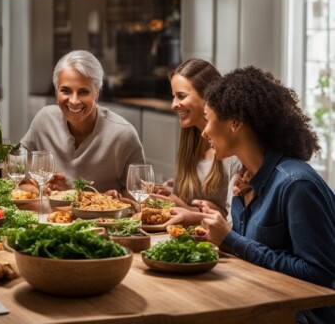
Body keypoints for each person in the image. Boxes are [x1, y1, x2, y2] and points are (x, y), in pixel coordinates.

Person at [199, 66, 335, 324]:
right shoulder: (244, 180)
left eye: (208, 119)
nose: (204, 132)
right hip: (257, 302)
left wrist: (231, 239)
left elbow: (320, 275)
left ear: (236, 122)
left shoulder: (296, 184)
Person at [20, 50, 145, 195]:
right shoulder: (44, 120)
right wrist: (41, 188)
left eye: (83, 92)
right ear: (56, 92)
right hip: (46, 216)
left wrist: (81, 197)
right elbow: (16, 170)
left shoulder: (123, 134)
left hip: (101, 218)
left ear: (97, 93)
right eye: (65, 91)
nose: (73, 101)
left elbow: (138, 196)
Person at [153, 59, 241, 220]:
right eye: (173, 96)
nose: (174, 105)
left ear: (209, 96)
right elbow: (190, 204)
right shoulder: (190, 137)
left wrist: (186, 208)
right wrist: (171, 195)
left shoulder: (233, 151)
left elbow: (234, 224)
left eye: (181, 96)